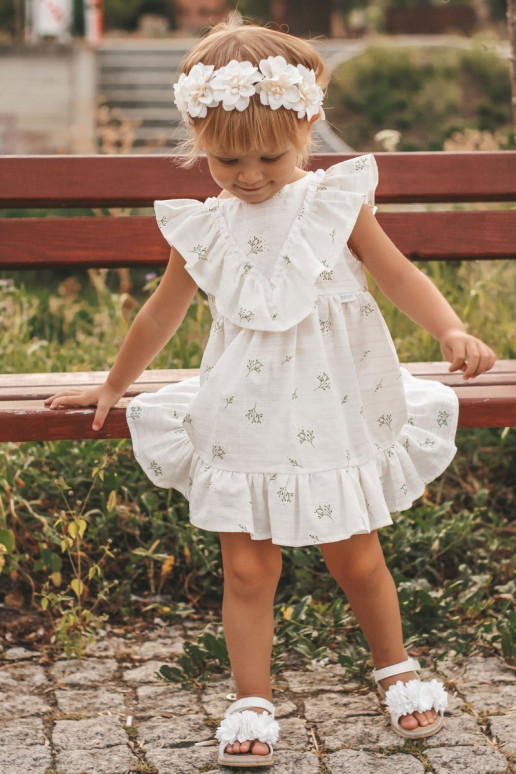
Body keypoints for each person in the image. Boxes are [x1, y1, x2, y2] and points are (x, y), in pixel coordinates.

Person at [46, 21, 496, 768]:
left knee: (356, 557)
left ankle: (395, 669)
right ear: (197, 135)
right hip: (243, 408)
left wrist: (451, 329)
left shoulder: (334, 203)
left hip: (332, 406)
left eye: (269, 156)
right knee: (248, 568)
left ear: (308, 127)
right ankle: (251, 699)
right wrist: (112, 383)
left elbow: (397, 275)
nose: (249, 174)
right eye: (226, 158)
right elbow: (163, 309)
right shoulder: (206, 226)